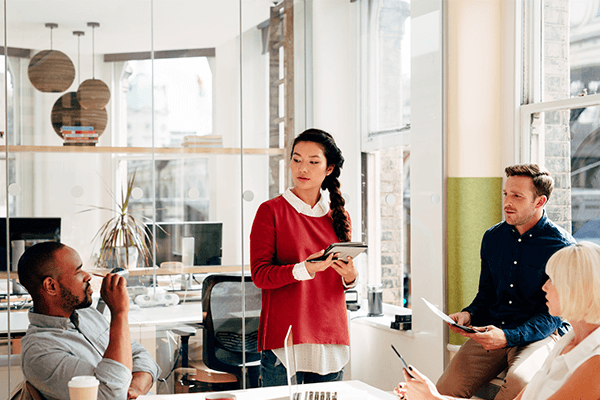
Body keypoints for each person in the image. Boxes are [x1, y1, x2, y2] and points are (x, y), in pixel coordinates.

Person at [435, 164, 576, 400]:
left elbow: (553, 317)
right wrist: (469, 315)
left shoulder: (561, 246)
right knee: (444, 389)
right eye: (506, 194)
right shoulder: (493, 238)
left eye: (517, 196)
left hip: (540, 334)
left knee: (522, 384)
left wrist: (508, 337)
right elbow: (487, 295)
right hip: (495, 328)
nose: (507, 202)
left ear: (539, 202)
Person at [396, 241, 600, 400]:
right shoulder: (567, 343)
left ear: (578, 290)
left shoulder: (595, 363)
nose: (544, 287)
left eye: (552, 280)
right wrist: (434, 396)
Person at [250, 128, 358, 387]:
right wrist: (304, 269)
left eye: (313, 162)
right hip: (286, 342)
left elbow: (343, 281)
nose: (302, 168)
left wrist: (350, 277)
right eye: (297, 159)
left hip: (330, 339)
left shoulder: (339, 217)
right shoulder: (270, 211)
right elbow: (260, 276)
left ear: (329, 169)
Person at [18, 241, 160, 400]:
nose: (88, 276)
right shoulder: (39, 353)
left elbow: (140, 354)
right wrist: (119, 313)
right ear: (51, 286)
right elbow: (112, 396)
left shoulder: (88, 314)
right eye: (78, 270)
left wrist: (135, 387)